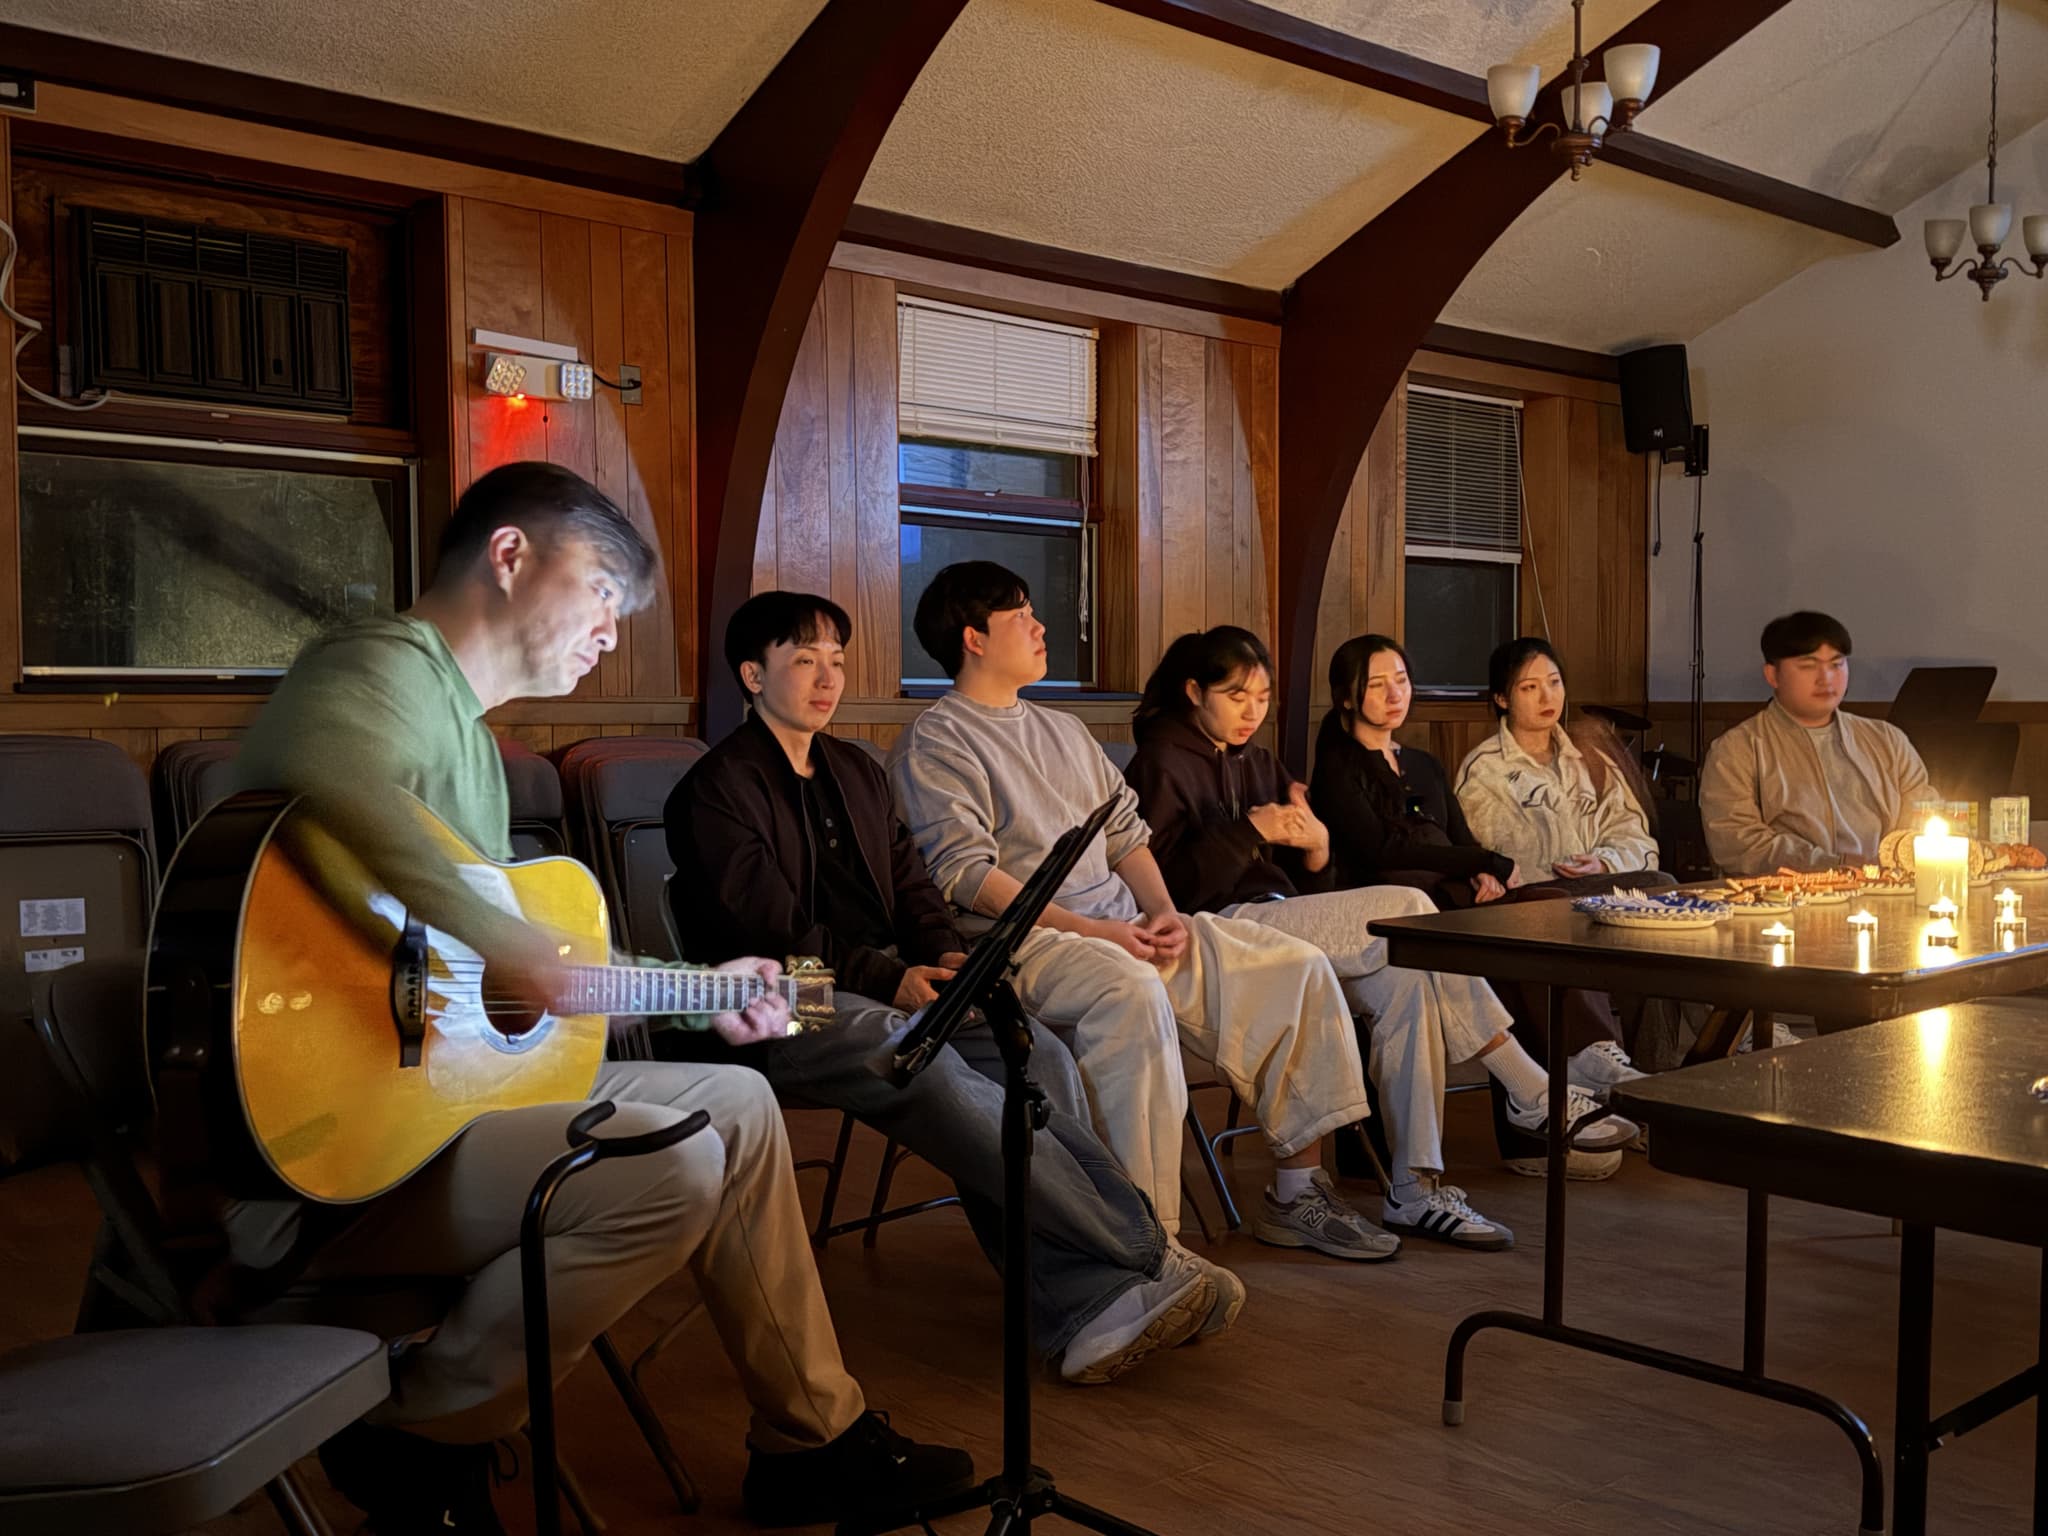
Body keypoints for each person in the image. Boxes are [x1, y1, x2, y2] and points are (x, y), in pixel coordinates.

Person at [225, 463, 970, 1533]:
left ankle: (811, 1438)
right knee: (670, 1162)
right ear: (511, 556)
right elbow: (325, 777)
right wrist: (510, 944)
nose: (612, 632)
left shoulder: (471, 743)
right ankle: (426, 1431)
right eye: (603, 591)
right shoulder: (379, 666)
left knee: (743, 1108)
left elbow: (486, 1006)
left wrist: (702, 989)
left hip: (430, 1115)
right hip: (330, 1158)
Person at [665, 590, 1230, 1380]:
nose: (827, 679)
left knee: (1031, 1053)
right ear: (753, 676)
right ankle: (1139, 1254)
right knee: (915, 1052)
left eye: (836, 661)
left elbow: (915, 887)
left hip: (885, 983)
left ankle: (1087, 1306)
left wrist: (943, 958)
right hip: (774, 997)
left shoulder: (855, 769)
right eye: (803, 662)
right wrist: (890, 976)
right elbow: (769, 933)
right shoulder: (717, 788)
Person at [889, 562, 1396, 1263]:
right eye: (1021, 617)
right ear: (973, 638)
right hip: (1027, 945)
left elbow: (1126, 835)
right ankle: (1147, 1241)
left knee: (1293, 966)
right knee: (1128, 994)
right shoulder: (937, 739)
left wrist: (1165, 913)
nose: (1040, 627)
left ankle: (1296, 1189)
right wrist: (1102, 932)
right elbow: (967, 876)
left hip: (1127, 927)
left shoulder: (1063, 729)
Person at [1124, 626, 1547, 1249]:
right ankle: (1528, 1085)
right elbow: (1157, 887)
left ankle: (1414, 1189)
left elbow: (1301, 879)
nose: (1252, 711)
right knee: (1411, 907)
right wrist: (1249, 830)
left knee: (1407, 979)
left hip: (1283, 919)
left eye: (1263, 697)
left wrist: (1317, 849)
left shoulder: (1259, 762)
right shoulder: (1160, 762)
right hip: (1219, 930)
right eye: (1236, 695)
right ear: (1194, 691)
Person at [1307, 633, 1637, 1174]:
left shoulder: (1419, 763)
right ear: (1347, 698)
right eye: (1377, 685)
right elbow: (1381, 851)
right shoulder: (1339, 767)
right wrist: (1482, 864)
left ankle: (1581, 1064)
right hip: (1392, 909)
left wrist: (1484, 869)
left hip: (1450, 896)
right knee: (1504, 923)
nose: (1395, 694)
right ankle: (1535, 1098)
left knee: (1548, 906)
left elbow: (1454, 835)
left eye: (1402, 680)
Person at [1699, 610, 1934, 877]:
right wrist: (1835, 865)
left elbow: (1922, 815)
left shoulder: (1888, 740)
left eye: (1836, 664)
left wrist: (1896, 863)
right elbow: (1737, 843)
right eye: (1808, 665)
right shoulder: (1738, 749)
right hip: (1784, 901)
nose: (1826, 678)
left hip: (1886, 890)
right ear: (1772, 675)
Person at [1454, 637, 1662, 892]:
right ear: (1501, 699)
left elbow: (1636, 838)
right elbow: (1480, 850)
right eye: (1529, 687)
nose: (1547, 697)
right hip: (1530, 897)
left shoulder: (1590, 758)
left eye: (1554, 682)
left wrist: (1604, 863)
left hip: (1597, 889)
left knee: (1660, 884)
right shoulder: (1485, 768)